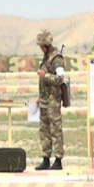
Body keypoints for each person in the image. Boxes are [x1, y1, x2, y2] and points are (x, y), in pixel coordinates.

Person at [35, 29, 65, 171]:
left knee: (55, 130)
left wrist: (45, 76)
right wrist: (40, 97)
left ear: (47, 45)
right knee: (44, 130)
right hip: (45, 100)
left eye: (42, 46)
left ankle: (58, 160)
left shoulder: (56, 58)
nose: (41, 49)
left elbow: (60, 79)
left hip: (53, 100)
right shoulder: (46, 57)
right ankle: (46, 158)